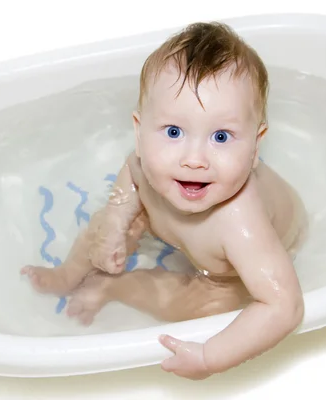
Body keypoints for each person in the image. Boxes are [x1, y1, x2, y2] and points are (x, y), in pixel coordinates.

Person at [21, 21, 308, 380]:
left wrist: (210, 357)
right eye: (173, 132)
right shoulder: (145, 165)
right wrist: (116, 221)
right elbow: (129, 180)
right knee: (103, 226)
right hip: (170, 230)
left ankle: (115, 286)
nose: (194, 158)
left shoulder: (240, 224)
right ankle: (66, 276)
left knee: (210, 307)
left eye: (221, 136)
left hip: (224, 271)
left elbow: (284, 306)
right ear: (139, 134)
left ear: (255, 147)